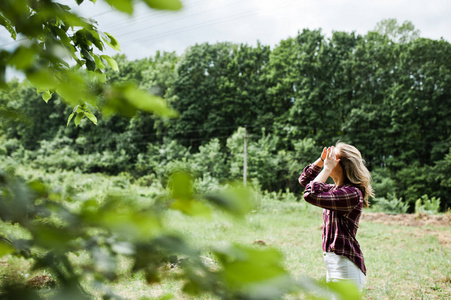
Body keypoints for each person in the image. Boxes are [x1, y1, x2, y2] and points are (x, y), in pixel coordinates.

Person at [298, 141, 373, 294]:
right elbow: (305, 180)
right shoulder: (334, 190)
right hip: (334, 263)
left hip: (346, 266)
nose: (328, 159)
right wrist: (321, 160)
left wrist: (326, 168)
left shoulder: (351, 193)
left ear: (343, 164)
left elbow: (310, 194)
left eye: (333, 156)